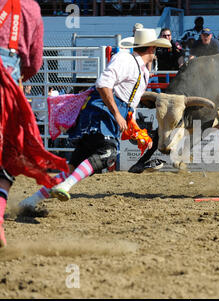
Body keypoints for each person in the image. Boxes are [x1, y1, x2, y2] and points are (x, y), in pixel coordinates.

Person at [19, 28, 171, 209]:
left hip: (103, 113)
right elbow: (103, 85)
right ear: (152, 49)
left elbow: (128, 105)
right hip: (101, 111)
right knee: (108, 153)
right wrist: (116, 114)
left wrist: (134, 128)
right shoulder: (125, 60)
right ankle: (65, 186)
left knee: (73, 167)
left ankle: (30, 201)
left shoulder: (140, 70)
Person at [1, 0, 69, 247]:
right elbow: (33, 61)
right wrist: (18, 79)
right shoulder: (31, 8)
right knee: (11, 149)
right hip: (8, 78)